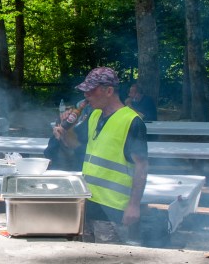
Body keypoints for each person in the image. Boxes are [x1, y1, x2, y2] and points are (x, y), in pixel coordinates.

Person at [54, 67, 148, 238]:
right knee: (87, 254)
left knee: (109, 254)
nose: (86, 95)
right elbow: (74, 145)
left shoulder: (132, 121)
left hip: (113, 210)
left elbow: (141, 166)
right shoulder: (94, 115)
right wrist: (67, 130)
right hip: (88, 202)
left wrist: (134, 205)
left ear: (109, 91)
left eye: (91, 90)